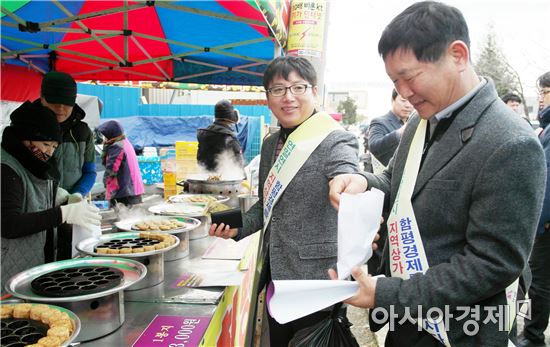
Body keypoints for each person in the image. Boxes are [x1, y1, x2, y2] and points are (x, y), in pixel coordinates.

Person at [328, 2, 546, 346]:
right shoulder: (421, 120)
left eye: (410, 77)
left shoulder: (510, 142)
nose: (403, 93)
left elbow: (493, 263)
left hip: (458, 330)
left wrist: (387, 292)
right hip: (406, 318)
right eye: (394, 81)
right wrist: (364, 182)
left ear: (458, 55)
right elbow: (401, 184)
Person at [209, 55, 360, 346]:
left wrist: (347, 182)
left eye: (298, 88)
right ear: (268, 98)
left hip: (318, 282)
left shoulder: (334, 139)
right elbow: (267, 205)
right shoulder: (270, 144)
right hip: (277, 277)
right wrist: (237, 226)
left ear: (315, 92)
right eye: (278, 90)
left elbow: (346, 169)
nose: (288, 97)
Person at [1, 101, 101, 294]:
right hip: (8, 271)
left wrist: (66, 198)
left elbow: (41, 190)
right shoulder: (6, 169)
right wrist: (62, 213)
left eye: (54, 146)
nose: (49, 151)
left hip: (32, 265)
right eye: (45, 144)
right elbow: (8, 223)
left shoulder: (32, 161)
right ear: (25, 137)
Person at [34, 71, 97, 261]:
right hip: (39, 213)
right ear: (42, 98)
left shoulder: (82, 131)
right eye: (54, 101)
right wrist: (55, 193)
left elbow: (89, 171)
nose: (60, 108)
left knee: (70, 259)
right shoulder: (28, 127)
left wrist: (77, 195)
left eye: (66, 103)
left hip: (73, 211)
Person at [518, 71, 550, 347]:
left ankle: (532, 335)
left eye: (545, 93)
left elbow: (547, 178)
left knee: (539, 282)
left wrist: (540, 219)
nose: (540, 99)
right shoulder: (545, 127)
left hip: (546, 222)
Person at [97, 120, 145, 207]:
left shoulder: (116, 146)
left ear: (110, 134)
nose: (104, 138)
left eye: (105, 135)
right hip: (133, 188)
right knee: (133, 217)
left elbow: (112, 168)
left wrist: (105, 181)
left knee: (125, 217)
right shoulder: (125, 142)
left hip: (125, 191)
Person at [196, 99, 244, 174]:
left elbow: (200, 161)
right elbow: (238, 166)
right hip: (224, 182)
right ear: (232, 116)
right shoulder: (229, 138)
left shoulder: (203, 134)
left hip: (205, 179)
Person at [368, 89, 413, 168]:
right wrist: (399, 133)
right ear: (393, 100)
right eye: (403, 100)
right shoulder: (380, 122)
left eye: (411, 101)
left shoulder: (413, 122)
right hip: (388, 176)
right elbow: (374, 147)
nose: (408, 105)